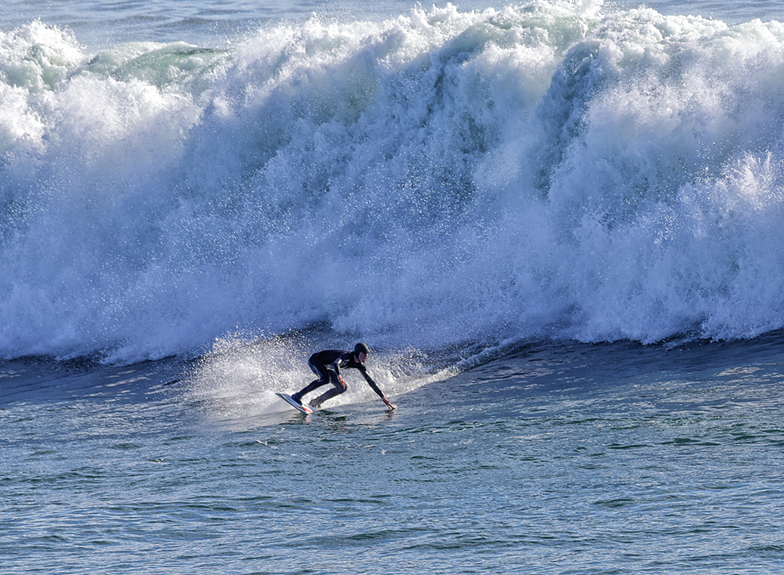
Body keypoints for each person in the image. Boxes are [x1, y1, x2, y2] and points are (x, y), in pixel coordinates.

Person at [291, 343, 396, 410]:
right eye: (364, 354)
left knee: (343, 387)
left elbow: (370, 381)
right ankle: (297, 396)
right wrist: (339, 376)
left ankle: (316, 402)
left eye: (367, 355)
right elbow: (336, 363)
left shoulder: (358, 365)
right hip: (315, 360)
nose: (366, 357)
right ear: (358, 353)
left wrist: (383, 397)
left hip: (325, 367)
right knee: (325, 379)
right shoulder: (346, 357)